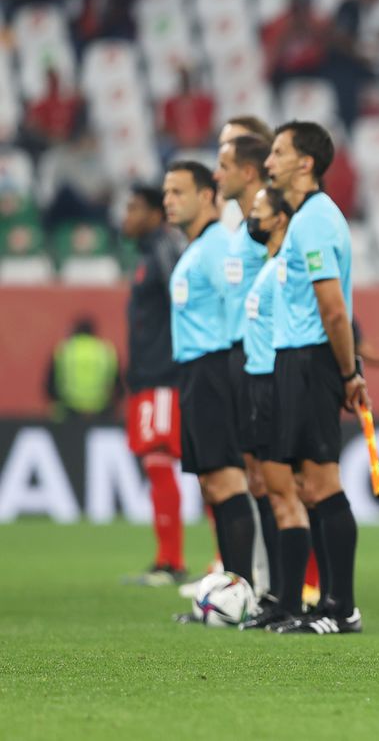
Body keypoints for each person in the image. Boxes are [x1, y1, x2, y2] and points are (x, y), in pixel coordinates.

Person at [260, 121, 366, 635]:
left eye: (278, 152)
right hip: (295, 360)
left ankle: (340, 607)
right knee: (307, 484)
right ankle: (326, 603)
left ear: (306, 162)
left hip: (311, 360)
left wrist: (348, 371)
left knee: (322, 484)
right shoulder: (306, 219)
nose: (269, 162)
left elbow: (333, 308)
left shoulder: (315, 221)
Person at [164, 161, 257, 599]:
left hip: (215, 366)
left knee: (227, 480)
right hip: (196, 370)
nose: (169, 201)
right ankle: (230, 581)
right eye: (166, 193)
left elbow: (240, 299)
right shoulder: (197, 246)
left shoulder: (218, 243)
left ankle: (243, 586)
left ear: (206, 196)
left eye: (178, 192)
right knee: (211, 483)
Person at [213, 133, 280, 603]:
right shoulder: (240, 224)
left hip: (264, 357)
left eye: (224, 163)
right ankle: (257, 585)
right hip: (241, 356)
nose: (218, 174)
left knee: (276, 480)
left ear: (249, 171)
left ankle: (280, 588)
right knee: (256, 478)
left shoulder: (265, 222)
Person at [237, 188, 302, 630]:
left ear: (280, 219)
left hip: (272, 381)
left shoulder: (285, 270)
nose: (251, 218)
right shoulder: (268, 267)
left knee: (284, 494)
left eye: (258, 211)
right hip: (257, 381)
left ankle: (290, 597)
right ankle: (278, 593)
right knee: (267, 489)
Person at [121, 184, 188, 586]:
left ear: (153, 213)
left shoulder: (165, 249)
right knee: (159, 463)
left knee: (166, 462)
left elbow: (181, 302)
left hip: (164, 376)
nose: (125, 216)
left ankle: (173, 562)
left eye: (133, 207)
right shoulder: (149, 252)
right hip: (150, 377)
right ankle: (169, 559)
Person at [47, 317, 118, 420]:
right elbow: (117, 389)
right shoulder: (106, 351)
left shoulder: (64, 350)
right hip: (100, 413)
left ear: (75, 331)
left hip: (68, 414)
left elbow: (50, 388)